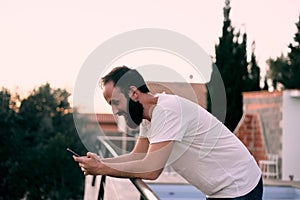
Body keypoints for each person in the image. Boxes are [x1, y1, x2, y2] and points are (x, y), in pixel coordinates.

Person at [74, 66, 263, 199]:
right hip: (223, 190)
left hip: (239, 187)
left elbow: (151, 169)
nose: (115, 112)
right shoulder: (149, 117)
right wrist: (100, 162)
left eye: (115, 102)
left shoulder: (168, 111)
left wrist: (101, 169)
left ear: (133, 93)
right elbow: (137, 155)